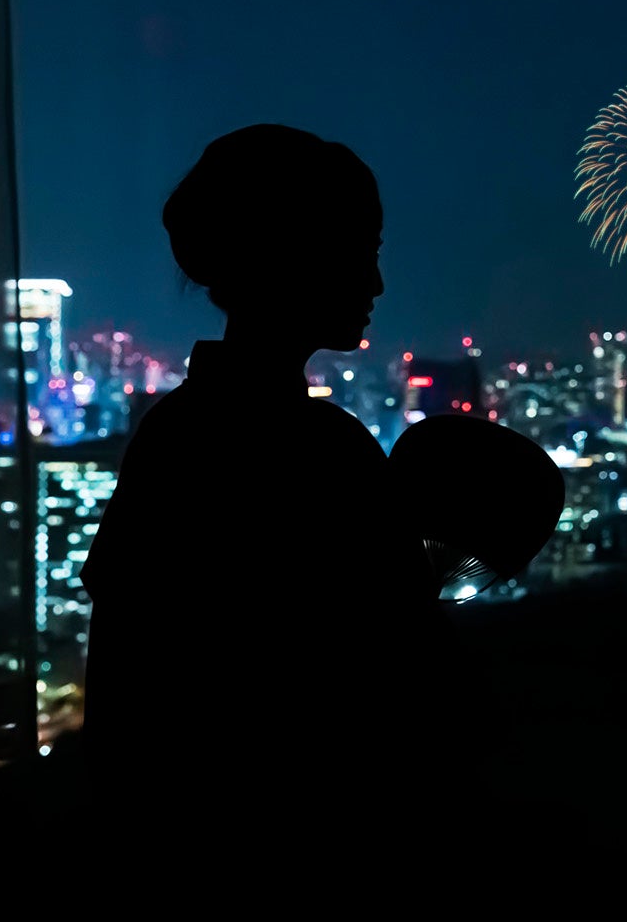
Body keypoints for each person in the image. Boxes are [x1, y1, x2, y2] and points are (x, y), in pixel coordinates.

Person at [81, 125, 451, 815]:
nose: (375, 282)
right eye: (360, 252)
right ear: (293, 254)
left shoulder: (174, 431)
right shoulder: (320, 449)